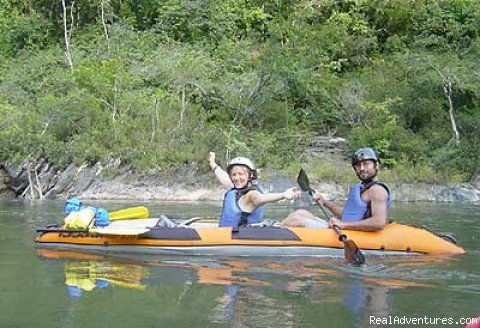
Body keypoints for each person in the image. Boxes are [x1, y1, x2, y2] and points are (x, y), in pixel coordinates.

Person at [282, 147, 391, 231]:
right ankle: (273, 228)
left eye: (366, 164)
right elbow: (348, 215)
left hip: (353, 233)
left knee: (295, 221)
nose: (362, 168)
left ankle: (270, 236)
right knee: (300, 213)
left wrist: (343, 225)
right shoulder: (362, 187)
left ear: (376, 165)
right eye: (358, 165)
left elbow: (378, 222)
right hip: (345, 228)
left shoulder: (377, 191)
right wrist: (325, 202)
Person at [208, 152, 300, 227]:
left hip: (240, 239)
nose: (236, 178)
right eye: (234, 174)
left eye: (240, 174)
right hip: (227, 235)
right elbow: (224, 178)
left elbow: (263, 198)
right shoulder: (235, 189)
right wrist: (213, 164)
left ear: (250, 175)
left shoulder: (251, 195)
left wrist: (283, 195)